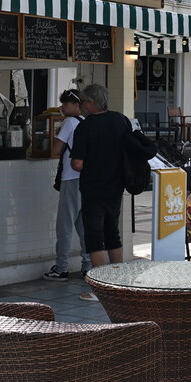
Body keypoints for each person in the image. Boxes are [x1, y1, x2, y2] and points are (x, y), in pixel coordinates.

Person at [69, 83, 131, 299]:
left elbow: (77, 163)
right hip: (116, 185)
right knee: (112, 231)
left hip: (93, 187)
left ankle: (101, 288)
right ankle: (118, 282)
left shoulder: (85, 127)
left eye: (82, 102)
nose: (81, 106)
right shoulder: (120, 120)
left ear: (90, 103)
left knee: (94, 235)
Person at [42, 90, 89, 281]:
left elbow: (56, 149)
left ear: (76, 105)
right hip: (86, 179)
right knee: (84, 226)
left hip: (71, 178)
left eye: (66, 103)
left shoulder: (69, 122)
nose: (62, 107)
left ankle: (61, 268)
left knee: (65, 225)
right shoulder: (86, 122)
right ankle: (88, 265)